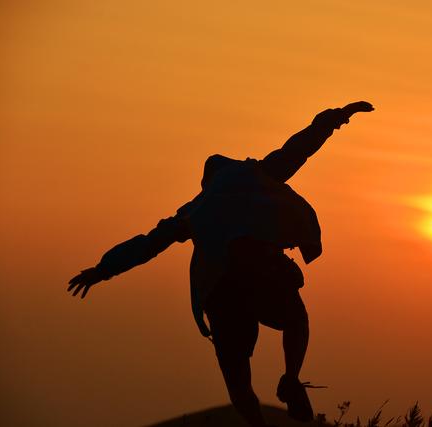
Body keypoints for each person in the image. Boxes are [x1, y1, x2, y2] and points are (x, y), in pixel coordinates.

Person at [67, 101, 374, 427]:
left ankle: (258, 421)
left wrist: (103, 269)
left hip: (223, 291)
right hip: (261, 273)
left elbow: (148, 244)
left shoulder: (196, 209)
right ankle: (291, 376)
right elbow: (300, 146)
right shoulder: (260, 174)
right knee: (296, 319)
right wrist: (337, 116)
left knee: (239, 384)